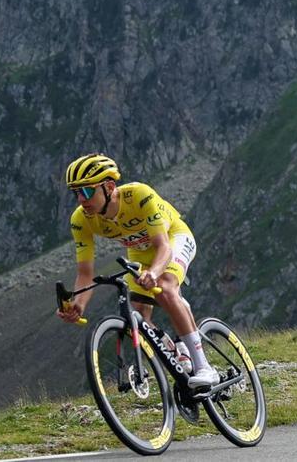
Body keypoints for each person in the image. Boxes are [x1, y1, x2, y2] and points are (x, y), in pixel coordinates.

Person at [57, 153, 219, 388]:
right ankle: (174, 348)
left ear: (109, 186)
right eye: (76, 193)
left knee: (164, 288)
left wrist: (153, 273)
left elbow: (163, 247)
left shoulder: (139, 195)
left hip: (173, 238)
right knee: (138, 317)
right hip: (138, 253)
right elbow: (85, 273)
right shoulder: (81, 219)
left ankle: (205, 367)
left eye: (88, 191)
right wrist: (78, 305)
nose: (81, 199)